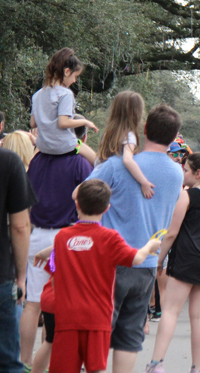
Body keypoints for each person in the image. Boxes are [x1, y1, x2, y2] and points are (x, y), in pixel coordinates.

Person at [86, 103, 183, 373]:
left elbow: (82, 195)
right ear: (173, 137)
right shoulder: (176, 173)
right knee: (129, 339)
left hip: (111, 264)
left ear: (144, 129)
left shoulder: (118, 165)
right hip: (147, 267)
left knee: (100, 333)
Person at [34, 179, 160, 373]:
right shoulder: (110, 238)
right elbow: (136, 258)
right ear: (107, 208)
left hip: (67, 316)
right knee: (95, 368)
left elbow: (55, 278)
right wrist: (149, 246)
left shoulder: (62, 237)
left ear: (77, 204)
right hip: (98, 317)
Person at [22, 48, 98, 370]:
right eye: (76, 75)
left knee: (33, 305)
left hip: (34, 236)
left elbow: (34, 122)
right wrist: (84, 121)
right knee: (56, 313)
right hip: (64, 243)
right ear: (67, 71)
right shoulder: (80, 165)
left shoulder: (34, 163)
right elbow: (66, 123)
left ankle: (23, 362)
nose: (75, 80)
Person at [146, 153, 200, 373]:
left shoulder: (187, 196)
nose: (183, 173)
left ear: (198, 174)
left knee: (171, 310)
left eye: (186, 170)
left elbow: (172, 233)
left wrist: (159, 259)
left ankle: (156, 362)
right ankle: (196, 367)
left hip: (185, 259)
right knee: (199, 317)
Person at [0, 146, 35, 372]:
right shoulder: (8, 162)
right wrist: (21, 277)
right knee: (8, 362)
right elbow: (21, 226)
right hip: (1, 274)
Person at [97, 91, 155, 199]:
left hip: (98, 176)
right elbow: (127, 160)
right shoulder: (129, 136)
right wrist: (144, 182)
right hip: (110, 183)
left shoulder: (107, 133)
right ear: (137, 114)